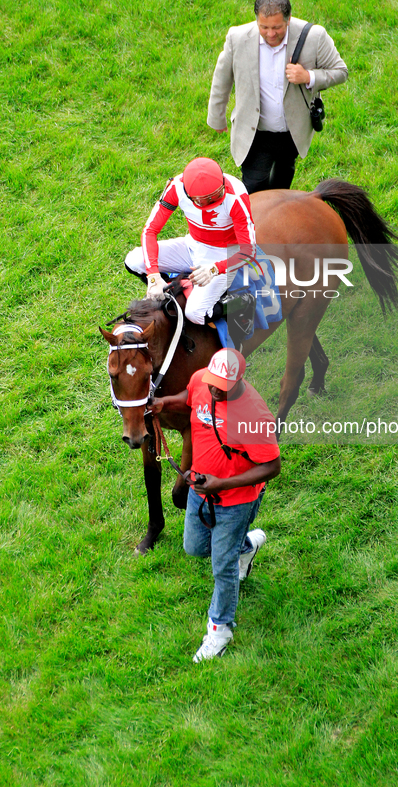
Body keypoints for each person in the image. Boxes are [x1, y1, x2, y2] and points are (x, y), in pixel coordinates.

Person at [147, 348, 281, 662]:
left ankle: (219, 631)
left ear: (238, 380)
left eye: (221, 385)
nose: (214, 389)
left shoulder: (254, 415)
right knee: (194, 547)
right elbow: (189, 394)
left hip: (236, 498)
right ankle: (245, 548)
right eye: (211, 383)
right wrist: (164, 402)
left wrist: (222, 483)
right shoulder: (202, 382)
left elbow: (272, 467)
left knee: (223, 567)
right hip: (200, 489)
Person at [207, 0, 348, 194]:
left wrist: (308, 76)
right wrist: (217, 118)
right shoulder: (237, 38)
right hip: (256, 132)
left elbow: (341, 72)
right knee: (254, 188)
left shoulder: (314, 37)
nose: (271, 34)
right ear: (256, 20)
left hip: (292, 131)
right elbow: (221, 80)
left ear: (289, 19)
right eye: (264, 27)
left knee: (283, 182)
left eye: (277, 27)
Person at [125, 157, 257, 325]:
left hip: (222, 254)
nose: (212, 202)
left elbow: (249, 251)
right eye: (204, 200)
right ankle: (167, 290)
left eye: (216, 195)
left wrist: (215, 269)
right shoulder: (176, 187)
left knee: (195, 314)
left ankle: (242, 302)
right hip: (192, 244)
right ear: (189, 194)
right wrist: (153, 277)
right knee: (133, 260)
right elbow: (150, 231)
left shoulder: (236, 197)